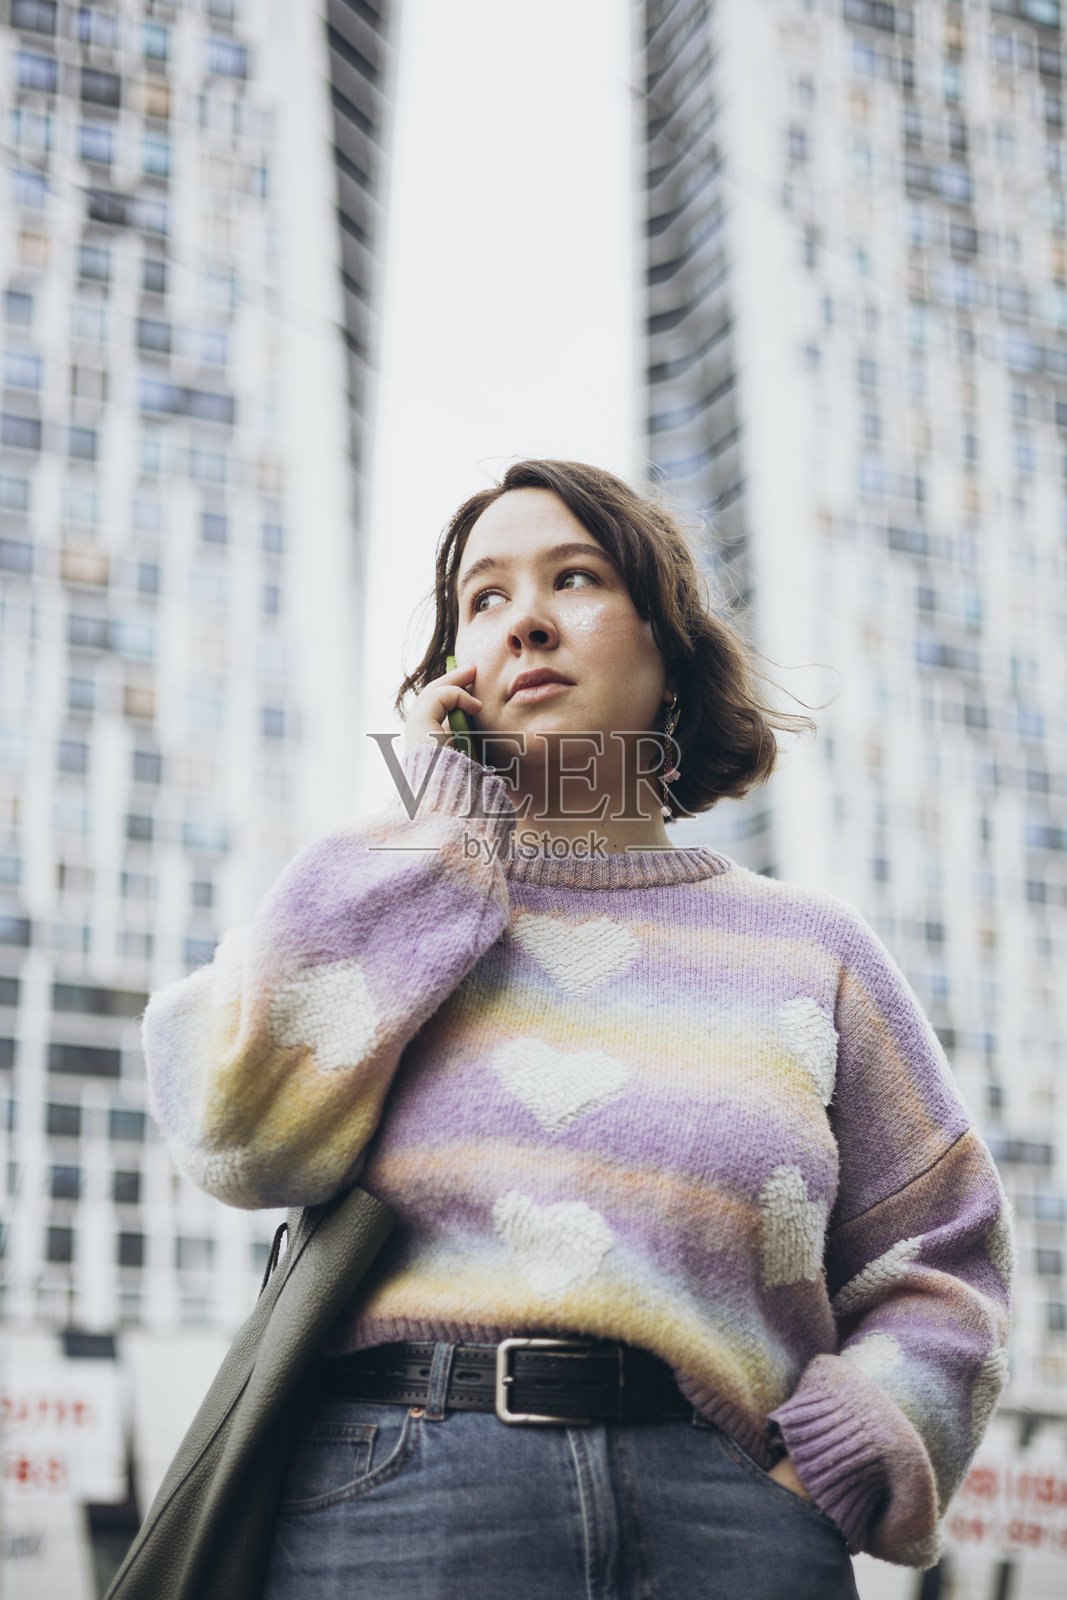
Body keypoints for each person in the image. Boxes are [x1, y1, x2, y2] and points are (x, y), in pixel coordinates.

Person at [142, 459, 1013, 1599]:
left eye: (576, 578)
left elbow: (943, 1261)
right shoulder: (391, 902)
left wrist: (827, 1465)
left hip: (730, 1521)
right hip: (401, 1495)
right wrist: (434, 825)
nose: (528, 622)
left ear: (666, 646)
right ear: (454, 674)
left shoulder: (816, 950)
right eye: (484, 598)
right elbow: (238, 1135)